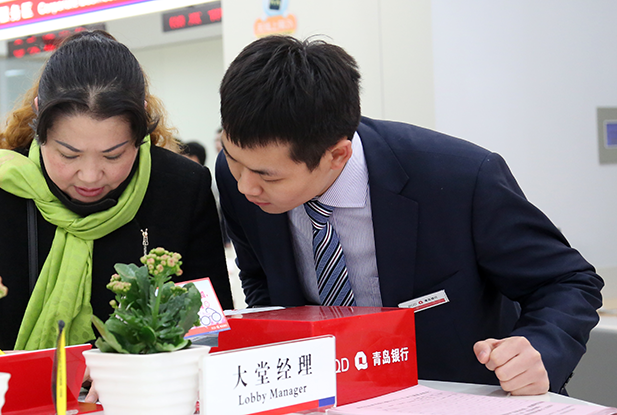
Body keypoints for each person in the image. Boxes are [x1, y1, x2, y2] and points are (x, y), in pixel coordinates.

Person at [215, 36, 603, 396]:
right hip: (329, 395)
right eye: (234, 160)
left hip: (461, 395)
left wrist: (539, 348)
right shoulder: (239, 179)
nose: (246, 186)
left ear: (337, 155)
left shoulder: (459, 179)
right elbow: (261, 276)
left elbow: (566, 280)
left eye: (269, 175)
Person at [0, 30, 232, 353]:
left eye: (114, 155)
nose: (89, 176)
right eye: (68, 154)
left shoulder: (181, 188)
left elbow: (209, 326)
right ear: (39, 117)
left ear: (140, 125)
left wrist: (132, 366)